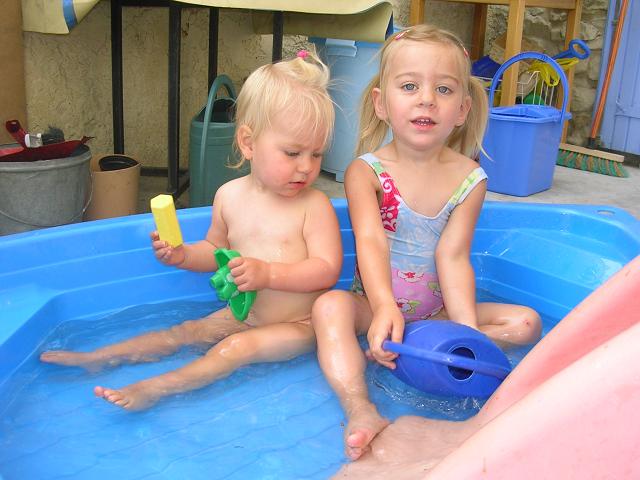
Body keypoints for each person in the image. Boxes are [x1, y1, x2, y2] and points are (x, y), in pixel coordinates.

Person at [40, 50, 343, 411]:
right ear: (248, 143)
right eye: (292, 153)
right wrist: (183, 255)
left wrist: (269, 273)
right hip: (244, 313)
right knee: (185, 332)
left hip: (299, 324)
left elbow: (326, 269)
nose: (306, 167)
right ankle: (100, 357)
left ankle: (155, 389)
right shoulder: (229, 197)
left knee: (234, 349)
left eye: (317, 154)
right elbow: (216, 251)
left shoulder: (314, 206)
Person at [311, 24, 542, 461]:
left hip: (435, 311)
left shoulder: (470, 179)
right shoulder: (367, 171)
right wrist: (383, 307)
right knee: (328, 308)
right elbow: (371, 242)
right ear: (381, 103)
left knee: (527, 323)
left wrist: (466, 329)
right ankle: (361, 407)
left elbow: (452, 256)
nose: (426, 99)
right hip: (373, 303)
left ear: (462, 109)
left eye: (444, 89)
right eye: (410, 85)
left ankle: (435, 352)